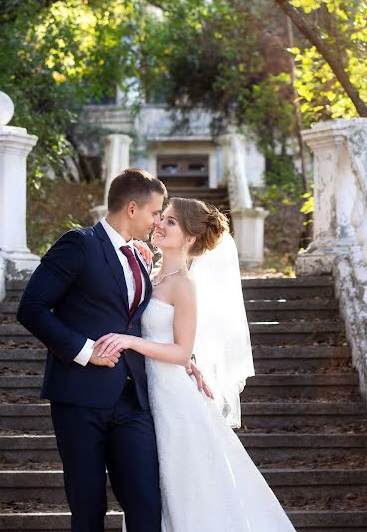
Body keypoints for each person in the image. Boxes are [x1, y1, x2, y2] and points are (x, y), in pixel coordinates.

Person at [16, 170, 209, 532]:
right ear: (132, 208)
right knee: (88, 510)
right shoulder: (79, 244)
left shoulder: (139, 259)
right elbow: (32, 307)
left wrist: (187, 359)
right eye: (155, 213)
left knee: (147, 506)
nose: (156, 222)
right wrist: (86, 351)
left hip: (133, 402)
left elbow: (145, 321)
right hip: (79, 399)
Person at [96, 197, 297, 532]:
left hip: (173, 397)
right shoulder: (148, 272)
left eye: (171, 222)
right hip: (145, 394)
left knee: (183, 486)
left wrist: (132, 343)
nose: (159, 223)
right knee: (151, 487)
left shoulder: (185, 286)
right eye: (163, 217)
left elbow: (179, 349)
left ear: (189, 239)